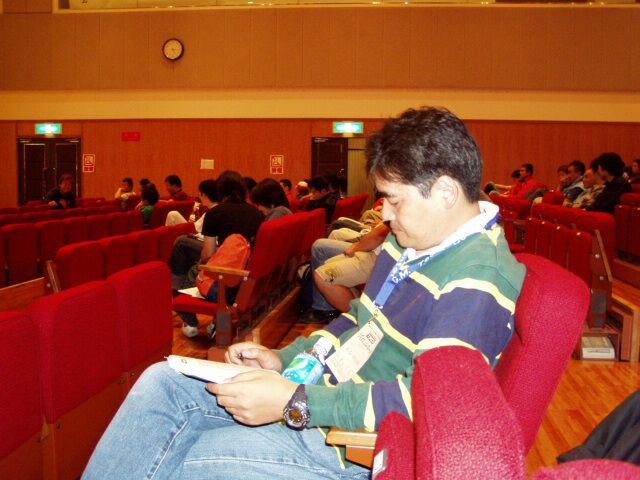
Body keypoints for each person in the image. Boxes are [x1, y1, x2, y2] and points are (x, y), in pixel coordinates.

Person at [82, 106, 525, 480]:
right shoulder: (412, 242)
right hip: (319, 394)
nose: (386, 215)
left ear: (445, 192)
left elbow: (429, 405)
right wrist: (285, 359)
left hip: (349, 444)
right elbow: (356, 322)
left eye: (394, 199)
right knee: (163, 383)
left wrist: (293, 402)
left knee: (184, 458)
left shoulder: (478, 280)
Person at [174, 171, 263, 338]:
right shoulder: (257, 214)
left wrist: (202, 262)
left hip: (225, 283)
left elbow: (208, 255)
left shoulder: (215, 213)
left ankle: (189, 320)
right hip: (247, 282)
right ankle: (217, 323)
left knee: (195, 269)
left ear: (220, 190)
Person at [168, 179, 218, 294]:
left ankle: (175, 288)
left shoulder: (213, 212)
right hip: (217, 247)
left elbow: (197, 231)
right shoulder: (217, 210)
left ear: (203, 195)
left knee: (181, 242)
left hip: (214, 249)